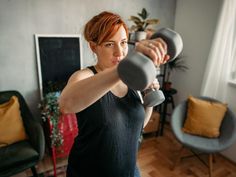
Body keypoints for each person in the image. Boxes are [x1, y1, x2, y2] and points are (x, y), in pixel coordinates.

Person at [59, 11, 169, 177]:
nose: (120, 52)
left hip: (129, 171)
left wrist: (148, 99)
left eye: (123, 42)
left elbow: (135, 126)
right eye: (109, 44)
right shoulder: (84, 76)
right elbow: (66, 105)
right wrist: (126, 67)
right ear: (93, 46)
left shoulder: (132, 78)